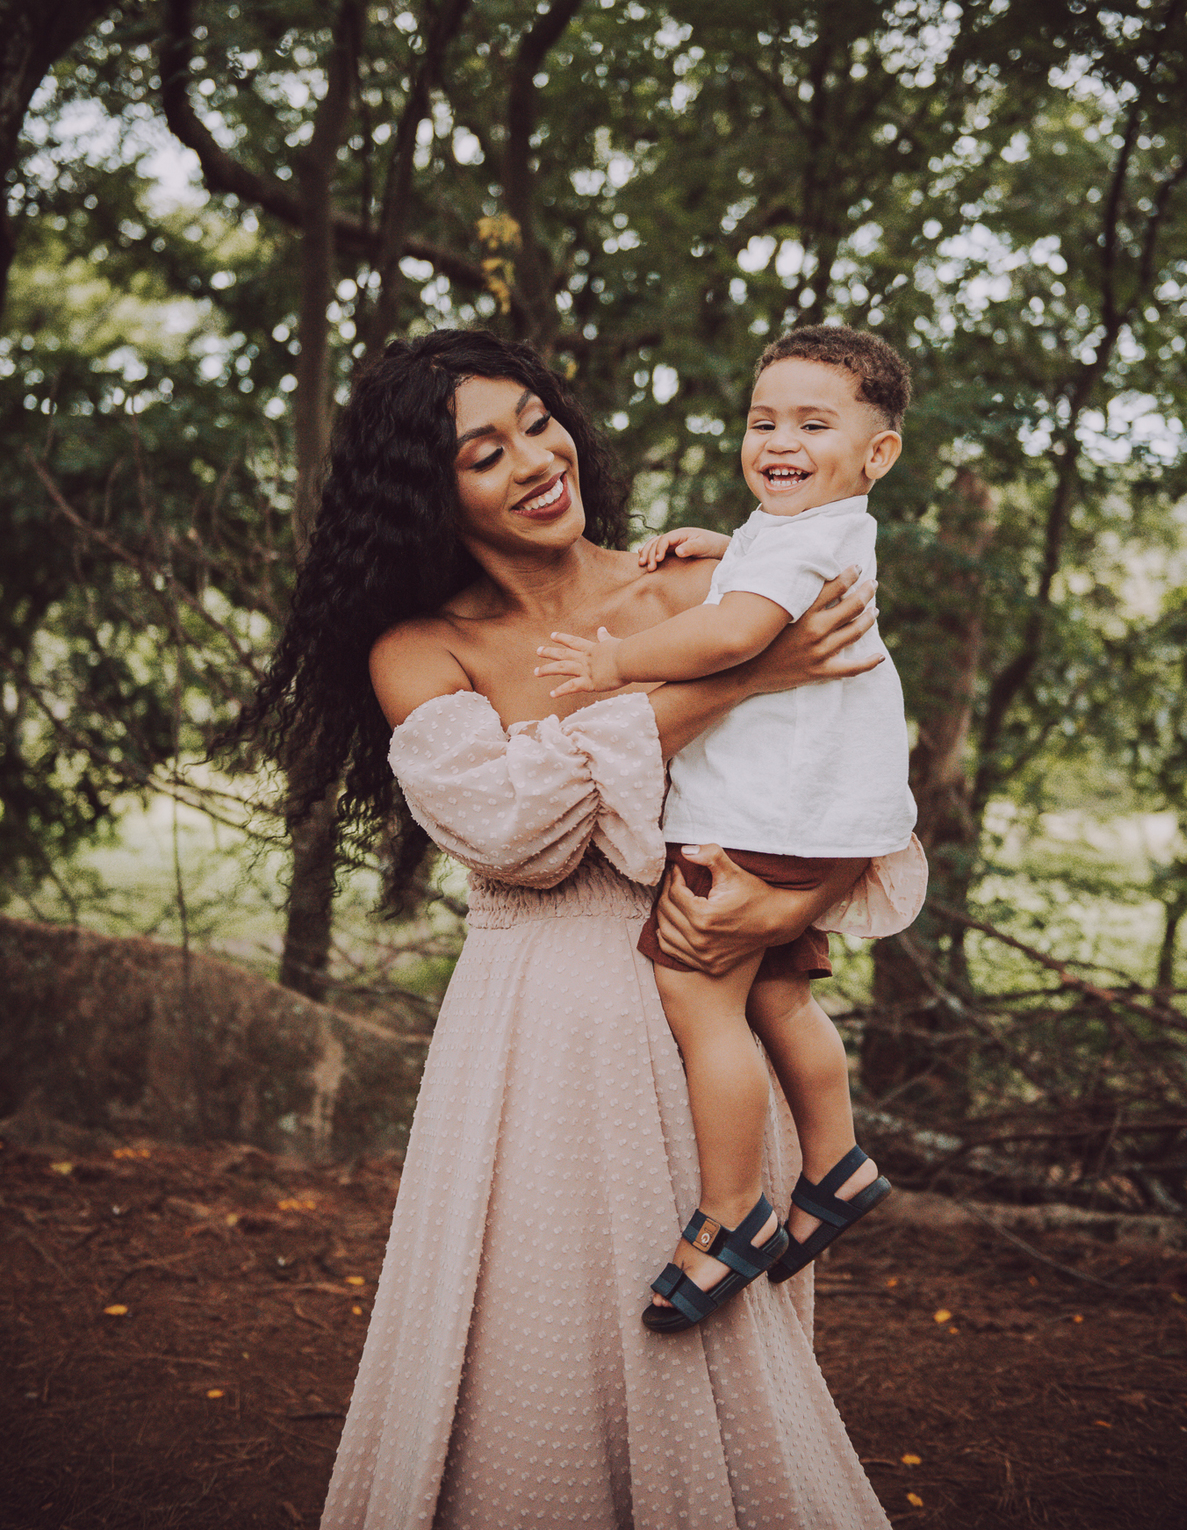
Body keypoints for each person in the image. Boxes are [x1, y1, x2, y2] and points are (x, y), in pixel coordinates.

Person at [243, 326, 894, 1529]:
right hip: (533, 1044)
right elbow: (516, 833)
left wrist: (794, 905)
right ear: (430, 492)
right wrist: (739, 680)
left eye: (539, 423)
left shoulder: (705, 587)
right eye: (484, 453)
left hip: (710, 1017)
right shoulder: (421, 650)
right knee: (534, 1335)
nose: (537, 460)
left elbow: (842, 771)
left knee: (709, 1354)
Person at [534, 326, 926, 1333]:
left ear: (877, 454)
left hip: (763, 810)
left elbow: (736, 631)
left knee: (699, 994)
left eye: (813, 424)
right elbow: (771, 567)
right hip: (816, 813)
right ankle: (836, 1162)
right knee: (779, 991)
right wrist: (725, 545)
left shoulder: (796, 543)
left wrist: (617, 663)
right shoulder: (813, 530)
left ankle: (732, 1211)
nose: (780, 441)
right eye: (764, 422)